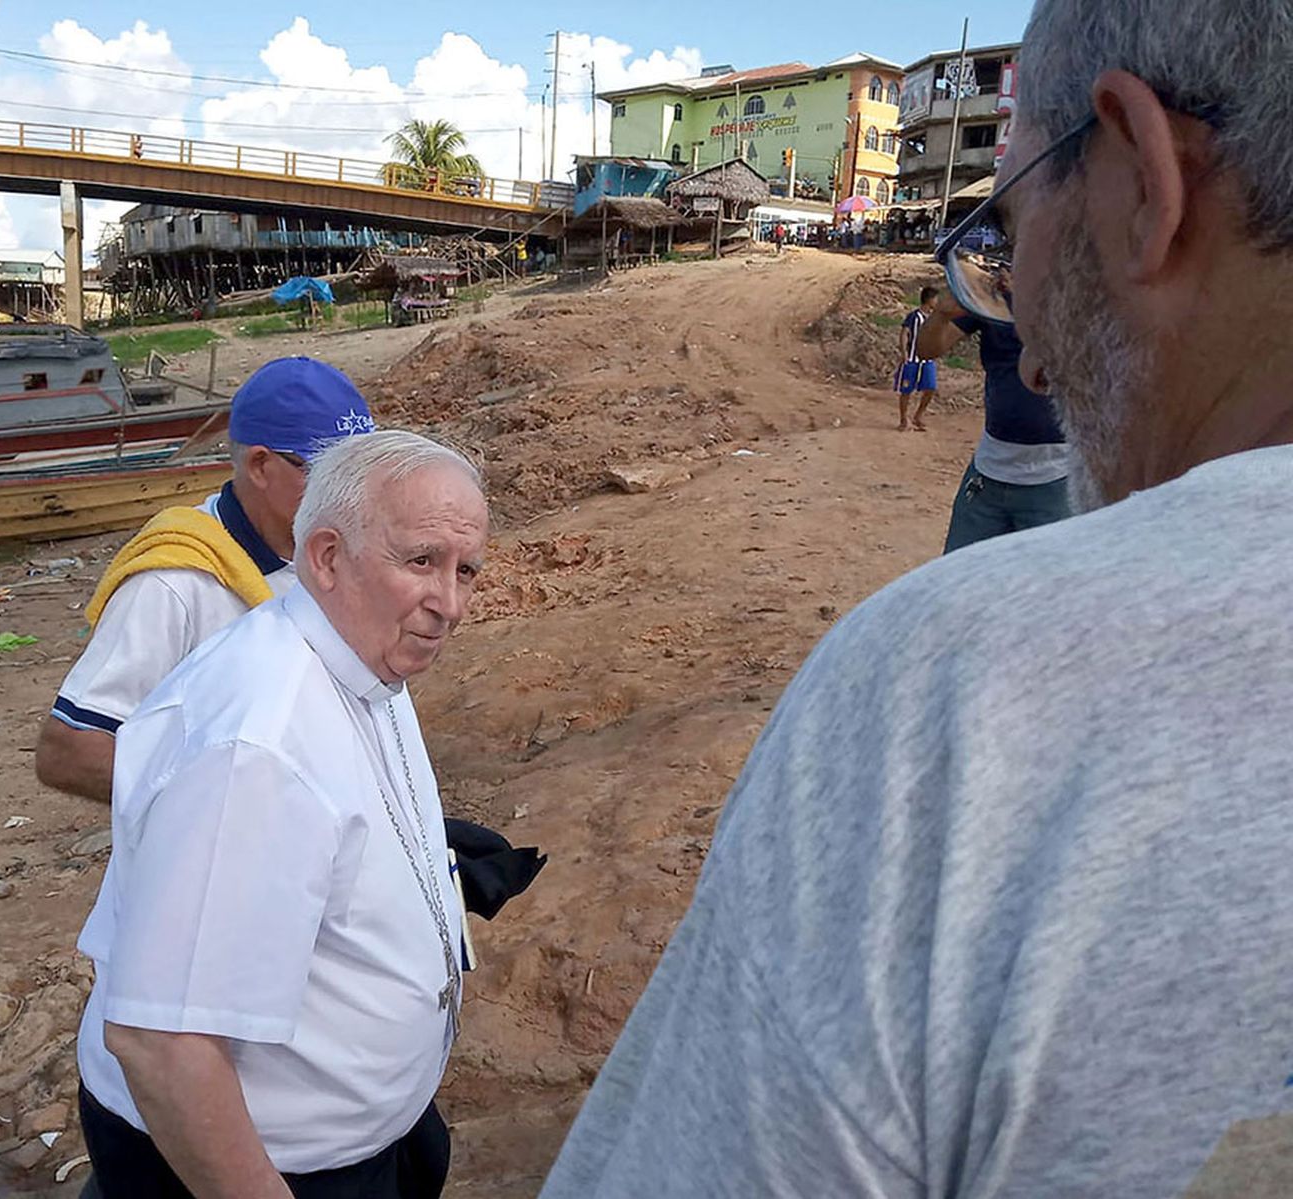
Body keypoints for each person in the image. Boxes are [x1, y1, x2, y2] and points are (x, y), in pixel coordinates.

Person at [537, 1, 1293, 1196]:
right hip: (986, 486)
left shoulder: (951, 690)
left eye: (1012, 220)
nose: (1035, 352)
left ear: (1144, 181)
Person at [75, 430, 489, 1198]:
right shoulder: (256, 747)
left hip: (359, 1140)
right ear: (327, 557)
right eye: (422, 561)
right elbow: (164, 1044)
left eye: (467, 570)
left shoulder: (360, 652)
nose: (451, 603)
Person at [36, 357, 374, 803]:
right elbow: (69, 751)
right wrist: (217, 805)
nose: (355, 495)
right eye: (333, 475)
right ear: (259, 465)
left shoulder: (334, 551)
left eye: (363, 474)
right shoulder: (175, 582)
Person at [917, 277, 1069, 551]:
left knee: (1047, 588)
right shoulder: (991, 294)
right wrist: (940, 314)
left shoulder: (1084, 291)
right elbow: (926, 349)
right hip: (989, 472)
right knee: (960, 578)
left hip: (1056, 478)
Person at [896, 285, 940, 432]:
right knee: (906, 390)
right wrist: (904, 353)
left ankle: (918, 416)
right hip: (912, 359)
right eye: (935, 299)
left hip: (927, 360)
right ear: (929, 300)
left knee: (931, 388)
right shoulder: (914, 316)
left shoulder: (934, 318)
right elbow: (904, 333)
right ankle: (903, 419)